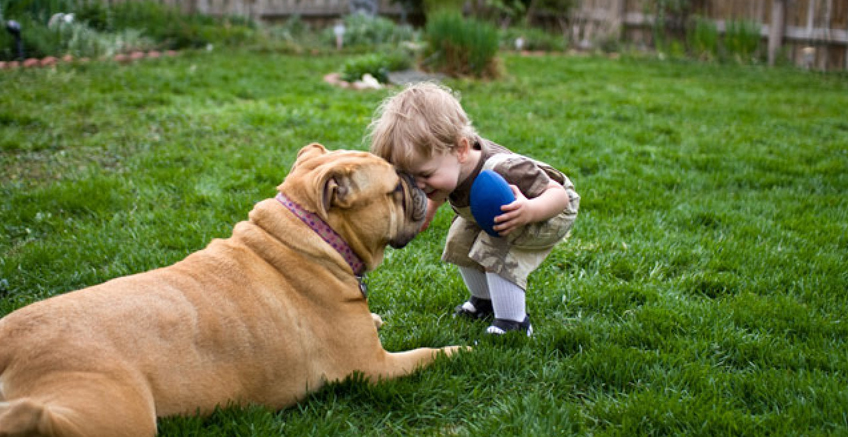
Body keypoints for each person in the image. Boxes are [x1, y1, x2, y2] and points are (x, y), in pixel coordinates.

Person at [368, 82, 580, 336]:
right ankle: (485, 301)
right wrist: (431, 209)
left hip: (547, 210)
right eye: (410, 178)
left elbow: (558, 195)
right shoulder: (447, 168)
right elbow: (439, 189)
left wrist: (528, 211)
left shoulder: (505, 169)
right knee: (459, 238)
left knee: (493, 246)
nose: (418, 186)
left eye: (424, 175)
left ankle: (514, 323)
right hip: (500, 212)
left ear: (461, 150)